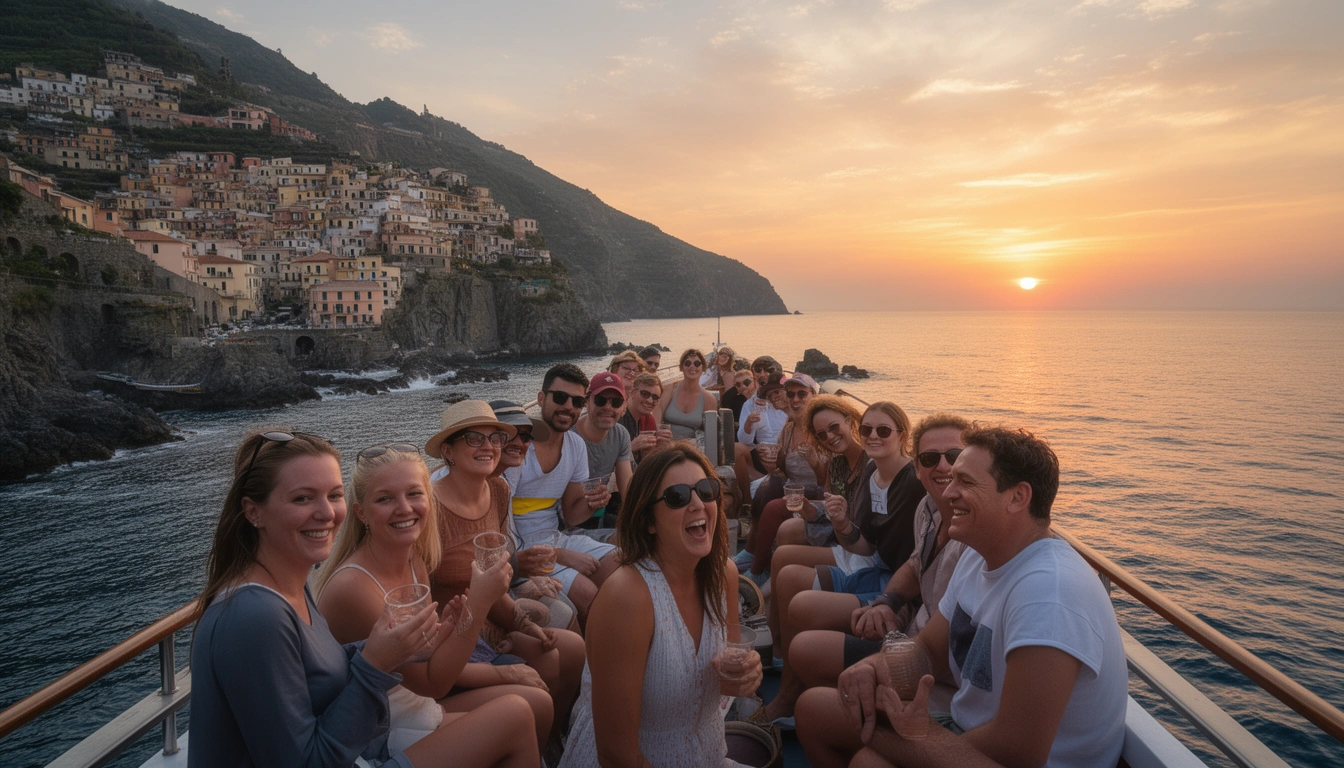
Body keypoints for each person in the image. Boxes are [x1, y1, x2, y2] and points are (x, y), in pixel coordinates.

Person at [189, 430, 538, 768]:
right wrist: (374, 664)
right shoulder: (253, 617)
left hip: (365, 742)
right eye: (302, 498)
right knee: (516, 715)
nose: (326, 513)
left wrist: (415, 643)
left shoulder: (292, 586)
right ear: (253, 512)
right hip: (358, 751)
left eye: (333, 495)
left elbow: (317, 675)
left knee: (519, 712)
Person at [797, 426, 1127, 768]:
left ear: (1018, 497)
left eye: (965, 482)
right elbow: (928, 649)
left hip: (1024, 758)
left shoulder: (1050, 594)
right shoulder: (978, 553)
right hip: (971, 727)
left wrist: (906, 739)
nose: (949, 492)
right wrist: (874, 668)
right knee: (814, 710)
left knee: (868, 761)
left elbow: (1017, 751)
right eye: (951, 479)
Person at [315, 442, 556, 755]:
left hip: (416, 703)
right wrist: (477, 604)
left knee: (539, 702)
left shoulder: (414, 559)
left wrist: (451, 626)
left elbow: (424, 656)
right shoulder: (355, 589)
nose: (404, 508)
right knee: (521, 710)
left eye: (414, 494)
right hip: (384, 728)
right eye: (385, 498)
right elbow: (432, 682)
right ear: (360, 512)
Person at [558, 445, 762, 768]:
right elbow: (616, 757)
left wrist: (745, 675)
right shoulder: (627, 597)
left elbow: (724, 673)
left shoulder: (725, 575)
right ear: (649, 521)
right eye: (677, 497)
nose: (698, 503)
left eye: (707, 491)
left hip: (708, 756)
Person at [761, 411, 966, 726]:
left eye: (955, 456)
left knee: (797, 597)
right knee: (787, 566)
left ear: (902, 437)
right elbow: (888, 552)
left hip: (919, 640)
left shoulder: (962, 525)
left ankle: (800, 694)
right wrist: (887, 600)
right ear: (918, 463)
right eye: (930, 458)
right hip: (895, 597)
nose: (943, 466)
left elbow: (939, 631)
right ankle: (788, 671)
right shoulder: (926, 507)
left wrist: (891, 609)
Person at [421, 400, 586, 748]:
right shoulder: (428, 510)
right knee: (549, 659)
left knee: (568, 647)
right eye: (474, 439)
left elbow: (494, 581)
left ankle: (553, 738)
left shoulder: (498, 491)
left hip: (488, 620)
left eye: (495, 438)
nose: (490, 447)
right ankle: (537, 743)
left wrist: (526, 626)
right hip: (449, 636)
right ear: (448, 451)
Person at [506, 363, 622, 624]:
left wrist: (592, 504)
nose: (569, 406)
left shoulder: (575, 445)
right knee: (588, 594)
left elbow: (571, 515)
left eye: (577, 401)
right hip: (521, 547)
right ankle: (592, 659)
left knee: (621, 564)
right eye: (560, 397)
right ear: (541, 398)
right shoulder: (520, 447)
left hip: (555, 537)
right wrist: (558, 555)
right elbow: (503, 524)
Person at [742, 372, 821, 586]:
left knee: (774, 507)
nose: (795, 399)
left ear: (814, 396)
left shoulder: (821, 429)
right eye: (791, 394)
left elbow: (830, 476)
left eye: (802, 394)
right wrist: (772, 467)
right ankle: (750, 551)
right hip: (795, 488)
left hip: (817, 491)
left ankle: (758, 571)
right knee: (765, 489)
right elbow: (784, 471)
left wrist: (815, 463)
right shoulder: (788, 429)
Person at [574, 372, 635, 522]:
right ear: (587, 401)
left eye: (616, 402)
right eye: (601, 400)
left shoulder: (620, 435)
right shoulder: (570, 436)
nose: (608, 407)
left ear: (623, 406)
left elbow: (626, 488)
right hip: (569, 516)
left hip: (598, 511)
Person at [655, 348, 720, 441]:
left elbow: (710, 432)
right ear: (682, 367)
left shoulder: (708, 399)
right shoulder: (670, 389)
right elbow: (658, 411)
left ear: (703, 368)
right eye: (687, 363)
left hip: (692, 447)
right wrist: (658, 432)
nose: (692, 366)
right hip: (666, 443)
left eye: (697, 363)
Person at [618, 372, 666, 466]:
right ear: (633, 392)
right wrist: (631, 447)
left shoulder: (649, 419)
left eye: (655, 397)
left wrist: (662, 446)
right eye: (645, 394)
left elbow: (647, 461)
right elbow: (607, 461)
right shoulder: (618, 418)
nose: (650, 401)